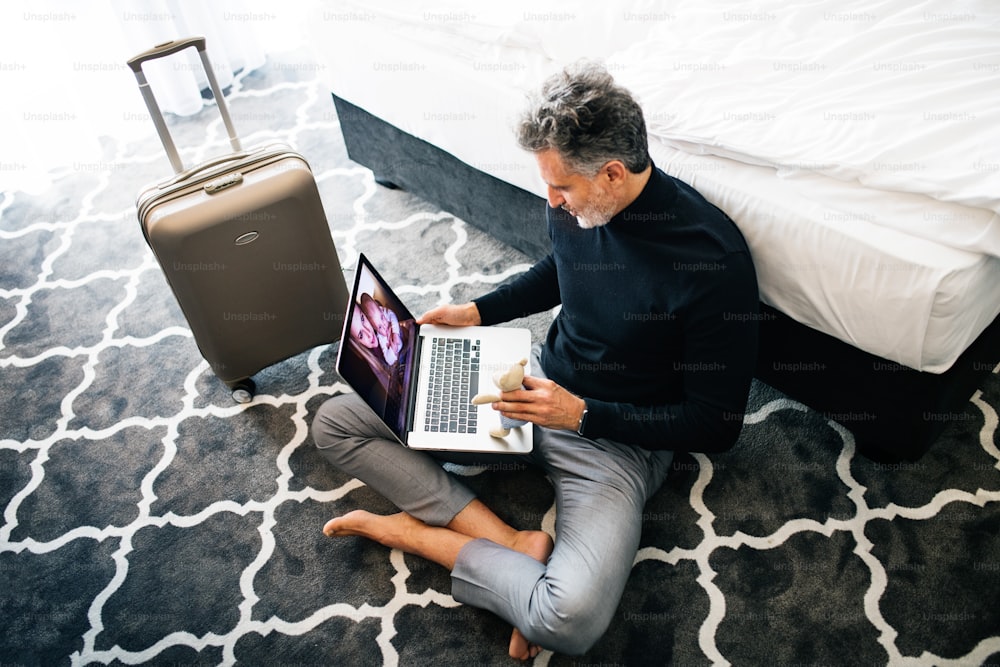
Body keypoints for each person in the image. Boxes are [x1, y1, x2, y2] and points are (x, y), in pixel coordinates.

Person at [312, 61, 759, 660]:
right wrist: (479, 311)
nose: (551, 200)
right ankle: (506, 540)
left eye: (562, 189)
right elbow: (563, 270)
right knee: (339, 420)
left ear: (612, 173)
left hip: (615, 440)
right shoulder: (578, 202)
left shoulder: (713, 262)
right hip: (527, 385)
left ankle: (420, 537)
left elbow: (717, 423)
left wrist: (580, 415)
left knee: (569, 619)